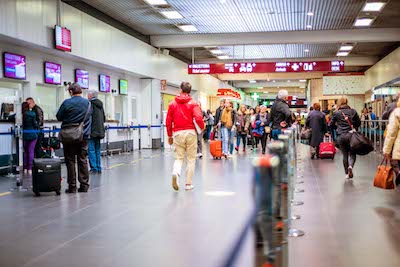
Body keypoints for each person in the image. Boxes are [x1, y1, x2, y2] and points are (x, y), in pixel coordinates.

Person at [166, 82, 204, 191]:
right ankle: (188, 184)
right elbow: (198, 118)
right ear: (190, 91)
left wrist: (169, 135)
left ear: (181, 90)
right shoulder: (194, 103)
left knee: (179, 157)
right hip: (191, 132)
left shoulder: (172, 104)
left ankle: (176, 172)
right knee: (191, 159)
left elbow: (168, 121)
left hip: (178, 133)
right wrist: (201, 128)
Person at [56, 83, 92, 193]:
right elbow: (89, 118)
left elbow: (59, 117)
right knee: (83, 160)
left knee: (70, 161)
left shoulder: (67, 103)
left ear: (71, 92)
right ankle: (84, 185)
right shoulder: (88, 103)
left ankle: (72, 186)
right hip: (83, 135)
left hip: (69, 136)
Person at [331, 97, 361, 179]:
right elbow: (358, 123)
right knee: (352, 153)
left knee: (345, 155)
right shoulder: (353, 111)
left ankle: (347, 174)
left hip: (341, 136)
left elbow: (330, 124)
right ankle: (350, 167)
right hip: (351, 135)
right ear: (347, 102)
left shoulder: (336, 113)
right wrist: (353, 126)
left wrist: (337, 128)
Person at [382, 98, 400, 186]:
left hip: (398, 143)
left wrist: (386, 150)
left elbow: (391, 134)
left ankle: (398, 172)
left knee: (394, 159)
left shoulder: (396, 112)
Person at [87, 90, 105, 174]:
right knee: (97, 149)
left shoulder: (90, 104)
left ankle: (94, 168)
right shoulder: (100, 105)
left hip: (92, 131)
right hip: (100, 131)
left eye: (88, 94)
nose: (87, 96)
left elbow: (87, 117)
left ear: (91, 95)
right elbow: (104, 118)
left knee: (91, 150)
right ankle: (98, 167)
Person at [22, 101, 38, 175]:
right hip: (33, 134)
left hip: (25, 135)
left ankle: (25, 168)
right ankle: (30, 169)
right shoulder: (32, 114)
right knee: (31, 151)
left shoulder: (22, 115)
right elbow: (35, 124)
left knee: (25, 152)